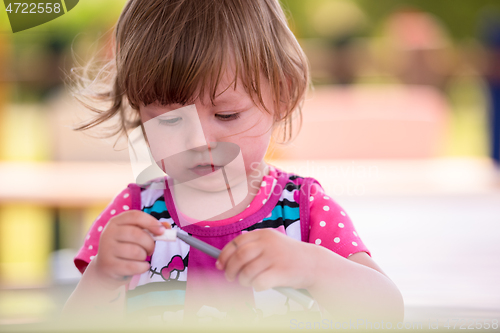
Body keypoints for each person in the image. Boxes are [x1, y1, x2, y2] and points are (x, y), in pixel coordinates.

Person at [62, 0, 403, 326]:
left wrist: (314, 267)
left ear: (280, 95)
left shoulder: (304, 208)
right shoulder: (134, 215)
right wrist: (102, 279)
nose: (198, 142)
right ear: (138, 107)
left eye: (226, 115)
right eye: (169, 120)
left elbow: (386, 314)